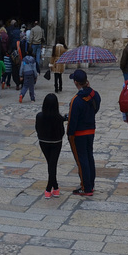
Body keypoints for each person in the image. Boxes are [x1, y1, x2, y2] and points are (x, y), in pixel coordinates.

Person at [66, 68, 101, 196]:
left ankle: (85, 187)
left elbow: (72, 121)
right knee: (89, 157)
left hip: (79, 133)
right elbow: (95, 108)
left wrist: (69, 134)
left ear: (76, 82)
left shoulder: (76, 100)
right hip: (90, 130)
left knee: (81, 160)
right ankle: (90, 183)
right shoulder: (94, 95)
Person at [36, 92, 65, 197]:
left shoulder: (39, 116)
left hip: (44, 142)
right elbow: (62, 132)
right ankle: (52, 188)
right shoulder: (59, 118)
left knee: (51, 164)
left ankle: (53, 187)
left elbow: (37, 129)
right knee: (52, 164)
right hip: (56, 142)